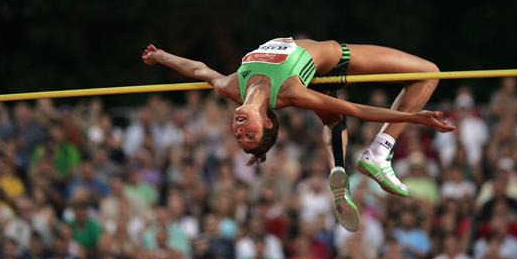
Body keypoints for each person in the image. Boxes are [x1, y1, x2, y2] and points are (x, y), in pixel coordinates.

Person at [142, 38, 455, 231]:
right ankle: (380, 149)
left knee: (333, 121)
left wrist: (160, 56)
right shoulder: (289, 92)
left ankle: (339, 172)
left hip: (315, 75)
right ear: (267, 123)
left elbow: (198, 69)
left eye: (239, 136)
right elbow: (358, 110)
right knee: (428, 72)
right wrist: (412, 118)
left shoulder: (231, 86)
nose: (239, 131)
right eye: (248, 136)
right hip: (337, 59)